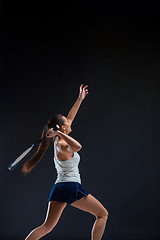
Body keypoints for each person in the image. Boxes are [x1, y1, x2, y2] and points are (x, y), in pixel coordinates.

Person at [22, 84, 109, 240]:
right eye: (67, 124)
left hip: (59, 187)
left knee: (46, 227)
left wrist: (80, 98)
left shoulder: (58, 140)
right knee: (102, 214)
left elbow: (70, 117)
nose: (70, 123)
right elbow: (78, 146)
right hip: (70, 187)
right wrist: (59, 133)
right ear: (62, 127)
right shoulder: (62, 145)